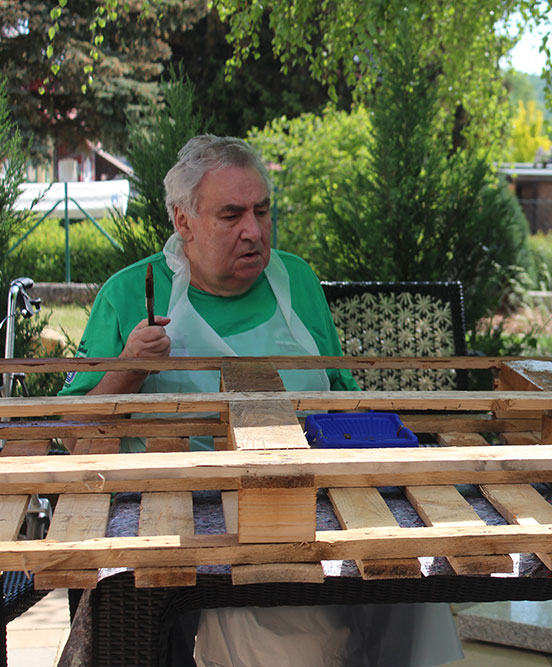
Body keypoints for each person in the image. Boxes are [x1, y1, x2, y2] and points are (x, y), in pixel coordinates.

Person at [60, 135, 463, 667]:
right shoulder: (130, 291)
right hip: (181, 514)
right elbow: (70, 432)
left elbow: (342, 393)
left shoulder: (295, 279)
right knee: (273, 638)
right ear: (184, 223)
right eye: (231, 215)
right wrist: (129, 369)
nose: (253, 230)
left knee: (407, 584)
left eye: (262, 211)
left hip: (308, 496)